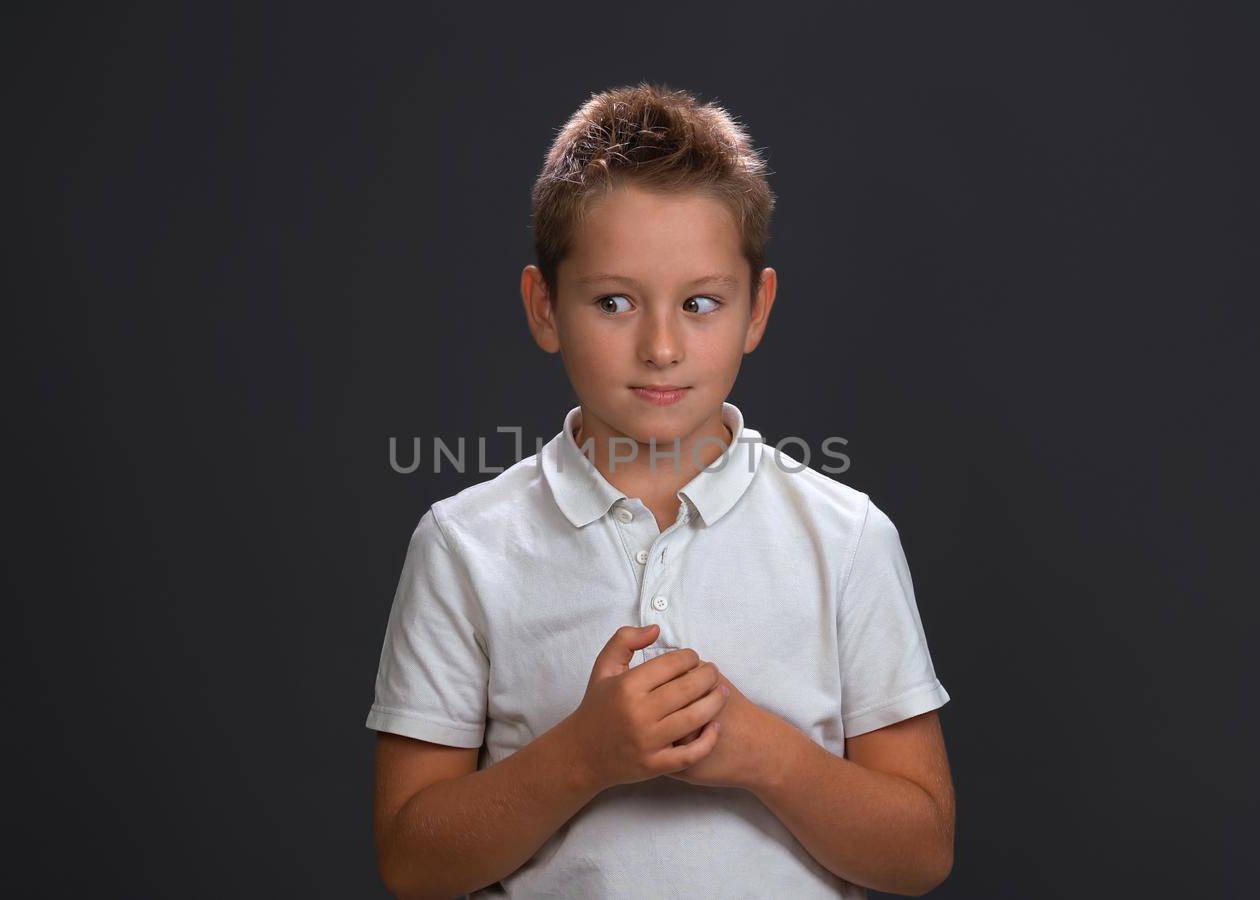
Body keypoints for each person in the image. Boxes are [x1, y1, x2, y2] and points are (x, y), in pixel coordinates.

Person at [365, 82, 954, 898]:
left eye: (701, 303)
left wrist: (764, 754)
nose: (663, 346)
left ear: (757, 310)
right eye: (614, 302)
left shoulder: (846, 537)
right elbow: (412, 862)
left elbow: (920, 853)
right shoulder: (465, 546)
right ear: (545, 308)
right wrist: (584, 757)